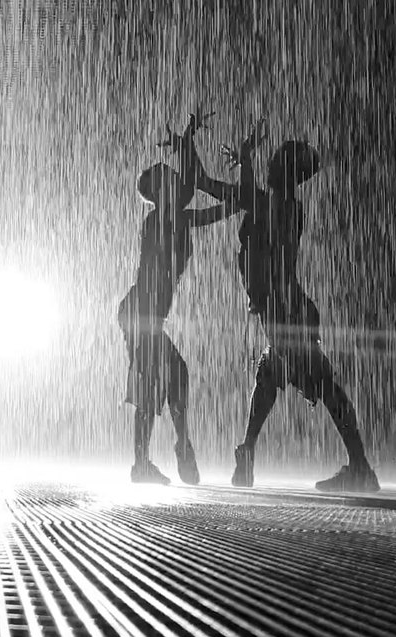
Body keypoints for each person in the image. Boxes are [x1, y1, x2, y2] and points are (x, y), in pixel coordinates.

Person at [199, 121, 381, 492]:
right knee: (271, 376)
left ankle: (360, 467)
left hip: (285, 311)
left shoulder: (272, 204)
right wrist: (243, 161)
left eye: (275, 160)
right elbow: (233, 192)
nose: (269, 163)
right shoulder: (287, 207)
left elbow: (214, 187)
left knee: (323, 385)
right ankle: (248, 455)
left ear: (283, 171)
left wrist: (232, 160)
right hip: (286, 309)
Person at [120, 107, 240, 484]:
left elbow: (193, 185)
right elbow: (200, 203)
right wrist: (236, 203)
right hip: (140, 313)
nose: (179, 182)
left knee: (166, 379)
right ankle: (160, 456)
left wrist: (187, 141)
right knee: (153, 385)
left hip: (143, 314)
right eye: (171, 179)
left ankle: (168, 452)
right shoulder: (164, 219)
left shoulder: (171, 214)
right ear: (161, 191)